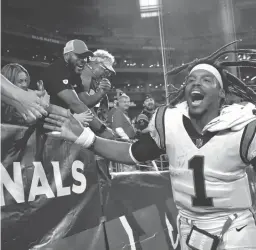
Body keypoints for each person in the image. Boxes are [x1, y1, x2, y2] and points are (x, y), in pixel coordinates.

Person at [44, 43, 256, 249]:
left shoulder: (244, 127)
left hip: (235, 228)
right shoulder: (170, 123)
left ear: (221, 93)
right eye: (191, 80)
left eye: (207, 79)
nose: (196, 83)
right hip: (190, 230)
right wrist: (85, 138)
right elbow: (131, 152)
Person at [39, 39, 113, 137]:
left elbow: (85, 101)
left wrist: (101, 93)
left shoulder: (74, 74)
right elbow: (75, 104)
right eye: (79, 56)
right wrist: (102, 130)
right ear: (66, 55)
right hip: (44, 126)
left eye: (85, 57)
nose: (83, 60)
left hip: (59, 124)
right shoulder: (58, 70)